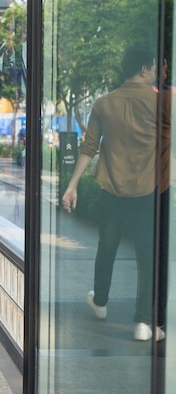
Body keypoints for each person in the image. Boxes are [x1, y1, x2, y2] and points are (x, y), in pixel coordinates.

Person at [62, 46, 162, 341]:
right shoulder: (160, 105)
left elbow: (88, 147)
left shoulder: (104, 104)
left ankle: (101, 301)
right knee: (147, 254)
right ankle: (143, 323)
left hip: (112, 189)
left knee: (107, 247)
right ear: (144, 70)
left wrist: (72, 185)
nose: (154, 72)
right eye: (153, 68)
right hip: (148, 190)